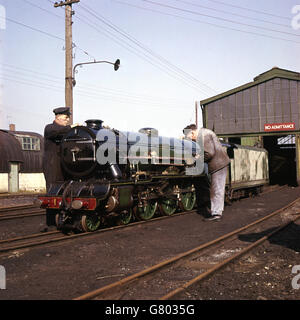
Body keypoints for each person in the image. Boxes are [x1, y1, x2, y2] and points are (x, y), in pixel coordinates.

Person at [184, 124, 230, 221]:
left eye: (190, 137)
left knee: (216, 189)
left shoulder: (203, 136)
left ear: (192, 132)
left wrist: (198, 159)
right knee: (217, 189)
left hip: (218, 164)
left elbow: (209, 153)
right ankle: (217, 212)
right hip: (219, 163)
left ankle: (216, 214)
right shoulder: (205, 133)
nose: (191, 139)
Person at [42, 107, 76, 230]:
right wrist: (71, 128)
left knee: (65, 192)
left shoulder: (64, 130)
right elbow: (57, 133)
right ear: (58, 117)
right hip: (52, 165)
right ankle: (50, 223)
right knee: (52, 192)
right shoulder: (50, 128)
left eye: (68, 118)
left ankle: (63, 220)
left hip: (64, 166)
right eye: (66, 117)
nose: (67, 120)